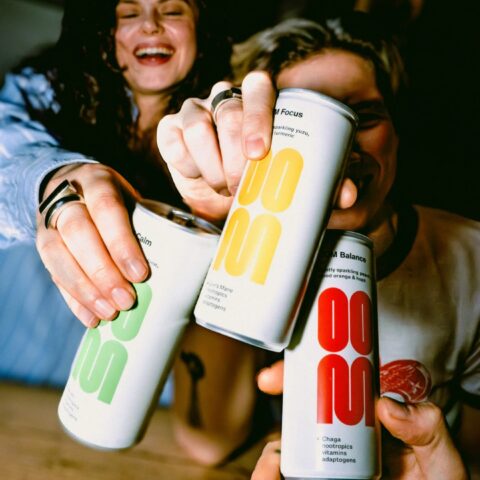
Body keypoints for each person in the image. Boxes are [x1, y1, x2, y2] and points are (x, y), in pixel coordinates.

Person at [156, 14, 480, 478]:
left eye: (363, 117)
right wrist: (223, 226)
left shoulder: (471, 258)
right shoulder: (233, 251)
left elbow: (473, 451)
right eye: (308, 120)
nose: (344, 150)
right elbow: (206, 441)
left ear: (397, 134)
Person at [0, 0, 232, 395]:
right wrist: (53, 180)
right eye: (129, 13)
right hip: (17, 366)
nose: (151, 26)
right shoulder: (44, 88)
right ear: (104, 29)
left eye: (172, 11)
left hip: (141, 392)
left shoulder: (223, 117)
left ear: (201, 29)